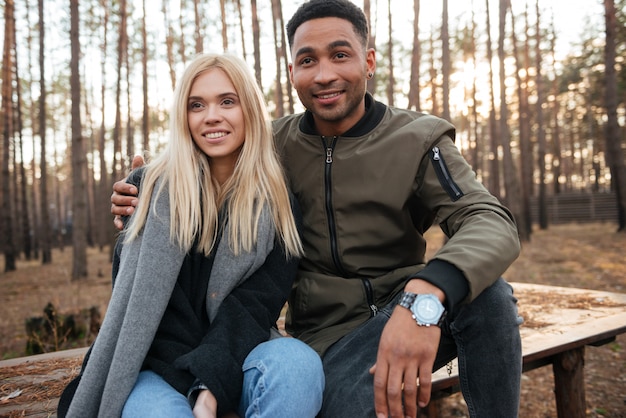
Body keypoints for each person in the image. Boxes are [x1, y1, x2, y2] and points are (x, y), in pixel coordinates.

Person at [112, 1, 523, 417]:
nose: (324, 74)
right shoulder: (267, 146)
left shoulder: (418, 139)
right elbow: (200, 167)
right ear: (293, 72)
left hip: (408, 308)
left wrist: (425, 294)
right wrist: (143, 190)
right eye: (308, 60)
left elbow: (489, 220)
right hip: (327, 343)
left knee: (487, 294)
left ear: (369, 61)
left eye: (340, 55)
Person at [60, 53, 324, 418]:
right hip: (155, 364)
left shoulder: (278, 207)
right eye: (196, 105)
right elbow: (142, 306)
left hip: (239, 353)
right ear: (183, 117)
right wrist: (195, 382)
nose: (211, 116)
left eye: (227, 101)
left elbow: (252, 309)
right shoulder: (147, 191)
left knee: (298, 367)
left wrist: (211, 383)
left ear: (249, 108)